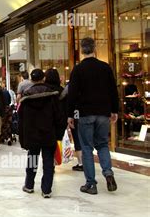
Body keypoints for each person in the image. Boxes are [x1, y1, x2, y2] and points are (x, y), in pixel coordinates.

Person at [67, 37, 118, 195]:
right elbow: (113, 90)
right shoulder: (105, 67)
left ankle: (91, 184)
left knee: (87, 148)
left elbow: (72, 94)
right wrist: (114, 110)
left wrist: (70, 115)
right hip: (103, 113)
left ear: (82, 50)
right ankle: (108, 173)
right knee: (103, 144)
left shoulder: (78, 69)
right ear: (95, 49)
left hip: (85, 114)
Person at [19, 69, 62, 198]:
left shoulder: (26, 97)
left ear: (31, 80)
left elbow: (22, 119)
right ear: (43, 78)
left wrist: (23, 138)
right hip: (49, 133)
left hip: (32, 135)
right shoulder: (52, 95)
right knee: (48, 161)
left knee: (32, 159)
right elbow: (59, 117)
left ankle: (29, 185)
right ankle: (46, 189)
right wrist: (58, 134)